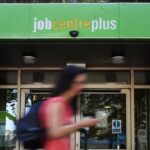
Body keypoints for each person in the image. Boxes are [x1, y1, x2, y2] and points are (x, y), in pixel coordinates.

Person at [39, 65, 99, 150]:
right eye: (79, 83)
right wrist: (81, 124)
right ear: (68, 83)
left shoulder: (66, 105)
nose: (82, 87)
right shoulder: (56, 103)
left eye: (83, 83)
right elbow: (54, 132)